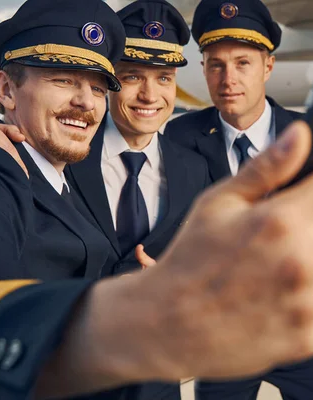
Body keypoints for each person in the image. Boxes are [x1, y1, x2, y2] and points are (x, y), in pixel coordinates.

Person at [0, 2, 313, 400]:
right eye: (64, 79)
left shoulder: (184, 159)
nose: (86, 101)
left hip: (178, 374)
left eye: (95, 85)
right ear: (6, 89)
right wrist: (147, 315)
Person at [164, 0, 313, 398]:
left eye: (243, 63)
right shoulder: (179, 138)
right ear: (204, 69)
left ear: (268, 67)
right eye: (216, 64)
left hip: (304, 331)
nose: (229, 78)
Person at [64, 1, 209, 398]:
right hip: (75, 369)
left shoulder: (194, 169)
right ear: (110, 79)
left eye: (164, 78)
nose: (150, 95)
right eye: (132, 76)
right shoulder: (65, 156)